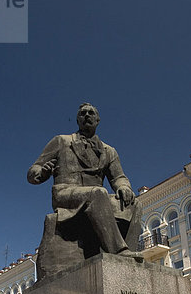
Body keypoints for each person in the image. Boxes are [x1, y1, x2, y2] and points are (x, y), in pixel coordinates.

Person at [27, 103, 141, 256]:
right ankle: (118, 251)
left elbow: (119, 178)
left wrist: (124, 187)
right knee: (98, 193)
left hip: (97, 199)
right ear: (77, 120)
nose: (87, 115)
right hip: (65, 194)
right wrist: (42, 172)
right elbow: (32, 172)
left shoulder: (109, 151)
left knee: (135, 204)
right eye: (83, 113)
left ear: (98, 120)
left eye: (91, 113)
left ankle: (130, 258)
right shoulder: (62, 141)